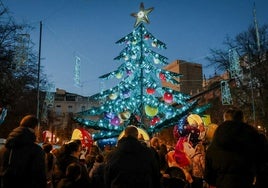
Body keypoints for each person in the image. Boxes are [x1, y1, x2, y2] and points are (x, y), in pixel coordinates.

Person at [204, 111, 266, 188]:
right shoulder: (253, 136)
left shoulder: (216, 141)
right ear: (243, 119)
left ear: (225, 119)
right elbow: (262, 166)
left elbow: (209, 175)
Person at [0, 114, 47, 188]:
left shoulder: (4, 149)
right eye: (38, 128)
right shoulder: (36, 151)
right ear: (35, 128)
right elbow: (39, 178)